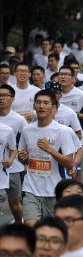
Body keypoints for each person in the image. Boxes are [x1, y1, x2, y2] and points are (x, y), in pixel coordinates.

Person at [17, 90, 77, 226]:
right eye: (38, 102)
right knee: (31, 232)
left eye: (45, 103)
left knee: (54, 233)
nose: (41, 106)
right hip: (31, 189)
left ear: (54, 108)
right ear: (34, 106)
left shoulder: (63, 131)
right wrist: (23, 158)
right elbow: (24, 161)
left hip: (55, 191)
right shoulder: (27, 130)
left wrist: (50, 149)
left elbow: (69, 163)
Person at [0, 84, 29, 224]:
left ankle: (19, 224)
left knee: (15, 204)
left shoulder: (19, 120)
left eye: (4, 95)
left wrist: (22, 158)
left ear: (12, 99)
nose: (1, 98)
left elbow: (27, 142)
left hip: (13, 168)